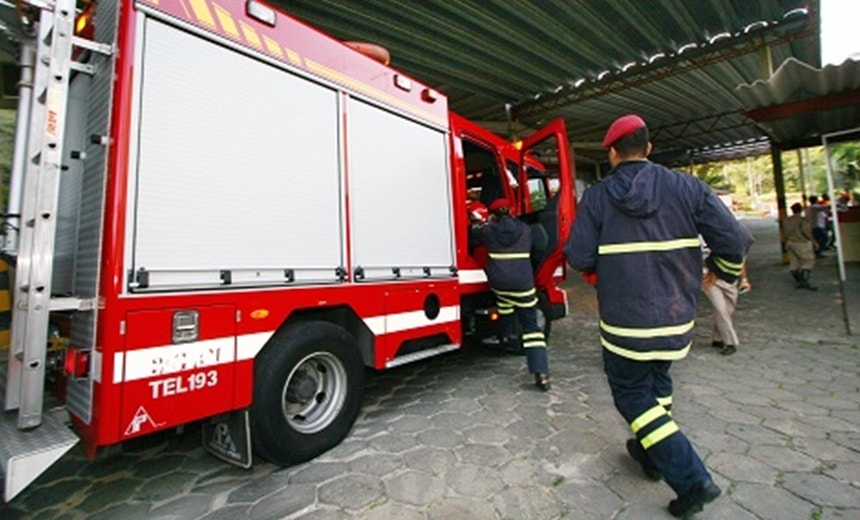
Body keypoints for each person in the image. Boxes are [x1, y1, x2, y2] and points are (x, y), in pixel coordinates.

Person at [563, 114, 753, 518]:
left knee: (631, 393)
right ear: (648, 148)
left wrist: (602, 273)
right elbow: (735, 238)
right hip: (676, 317)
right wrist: (725, 272)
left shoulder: (597, 196)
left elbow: (578, 255)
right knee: (658, 380)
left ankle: (692, 479)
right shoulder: (687, 187)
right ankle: (651, 453)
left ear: (613, 153)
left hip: (624, 322)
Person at [473, 198, 550, 391]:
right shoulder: (526, 229)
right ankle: (540, 373)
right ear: (511, 211)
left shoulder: (488, 231)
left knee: (504, 302)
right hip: (523, 285)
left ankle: (506, 336)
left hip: (499, 284)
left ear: (493, 215)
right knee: (531, 328)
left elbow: (472, 235)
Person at [703, 250, 750, 356]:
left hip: (730, 279)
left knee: (728, 310)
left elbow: (741, 259)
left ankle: (718, 338)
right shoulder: (707, 237)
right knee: (721, 309)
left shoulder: (736, 242)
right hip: (710, 279)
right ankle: (730, 343)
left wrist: (744, 279)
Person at [783, 202, 818, 290]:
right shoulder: (802, 220)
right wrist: (814, 242)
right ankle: (804, 281)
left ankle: (797, 280)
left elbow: (783, 232)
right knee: (809, 260)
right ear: (801, 210)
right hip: (801, 243)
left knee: (794, 262)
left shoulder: (786, 220)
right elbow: (807, 233)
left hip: (790, 242)